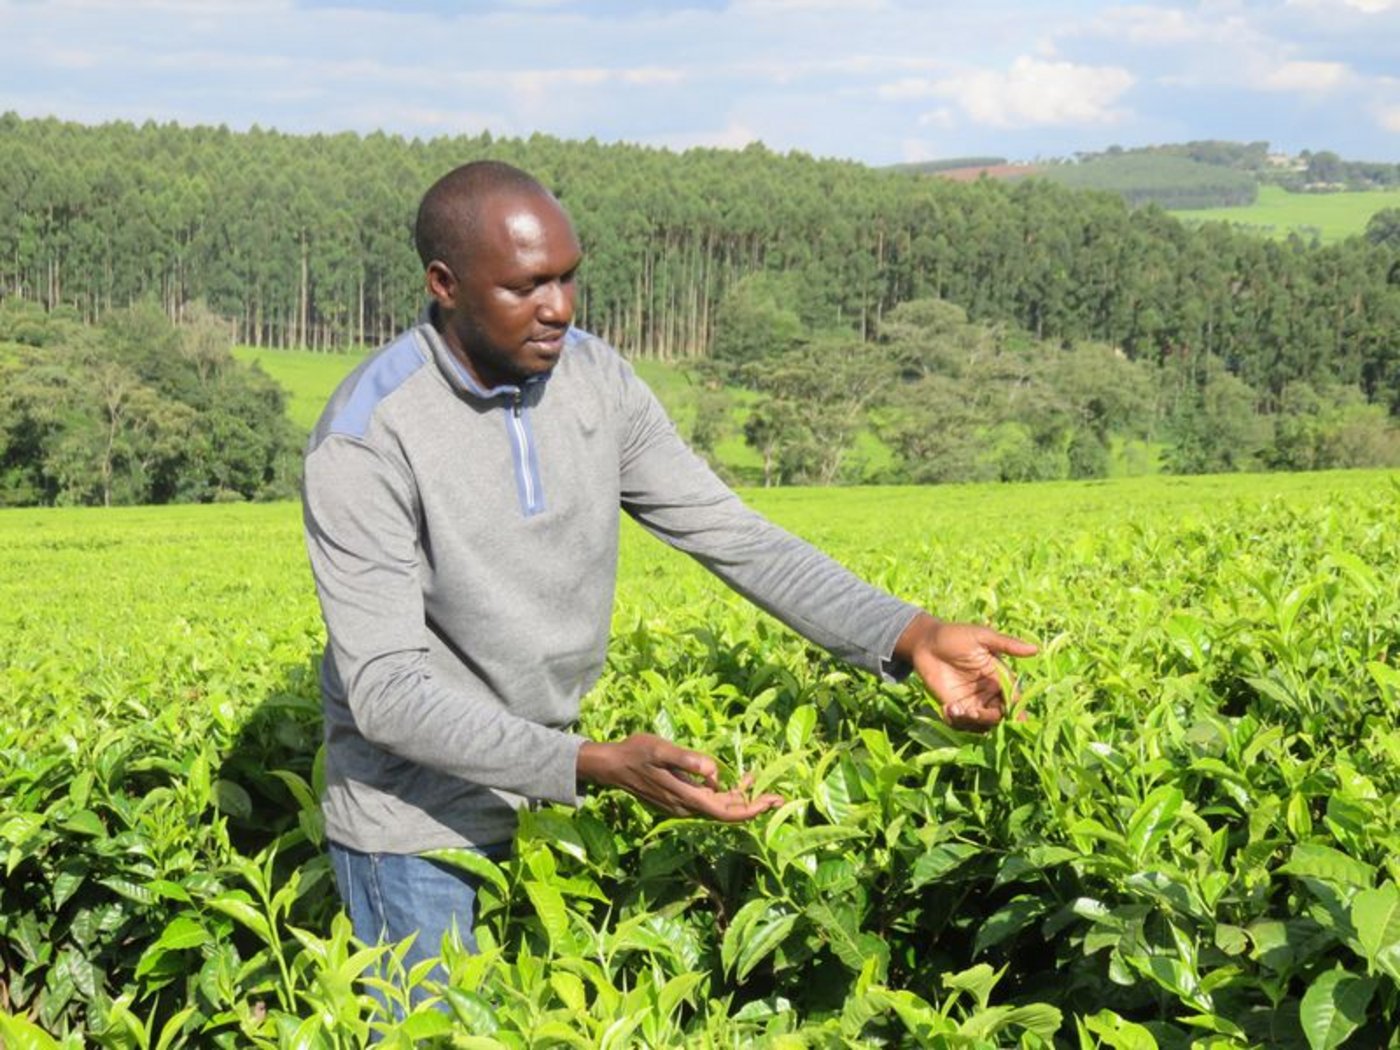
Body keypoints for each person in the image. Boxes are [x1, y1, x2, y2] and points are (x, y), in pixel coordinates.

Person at [302, 160, 1037, 983]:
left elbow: (732, 532)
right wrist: (590, 764)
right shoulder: (366, 439)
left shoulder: (594, 378)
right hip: (412, 823)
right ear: (444, 284)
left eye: (569, 278)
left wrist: (909, 633)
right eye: (526, 287)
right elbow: (388, 694)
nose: (559, 308)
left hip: (545, 789)